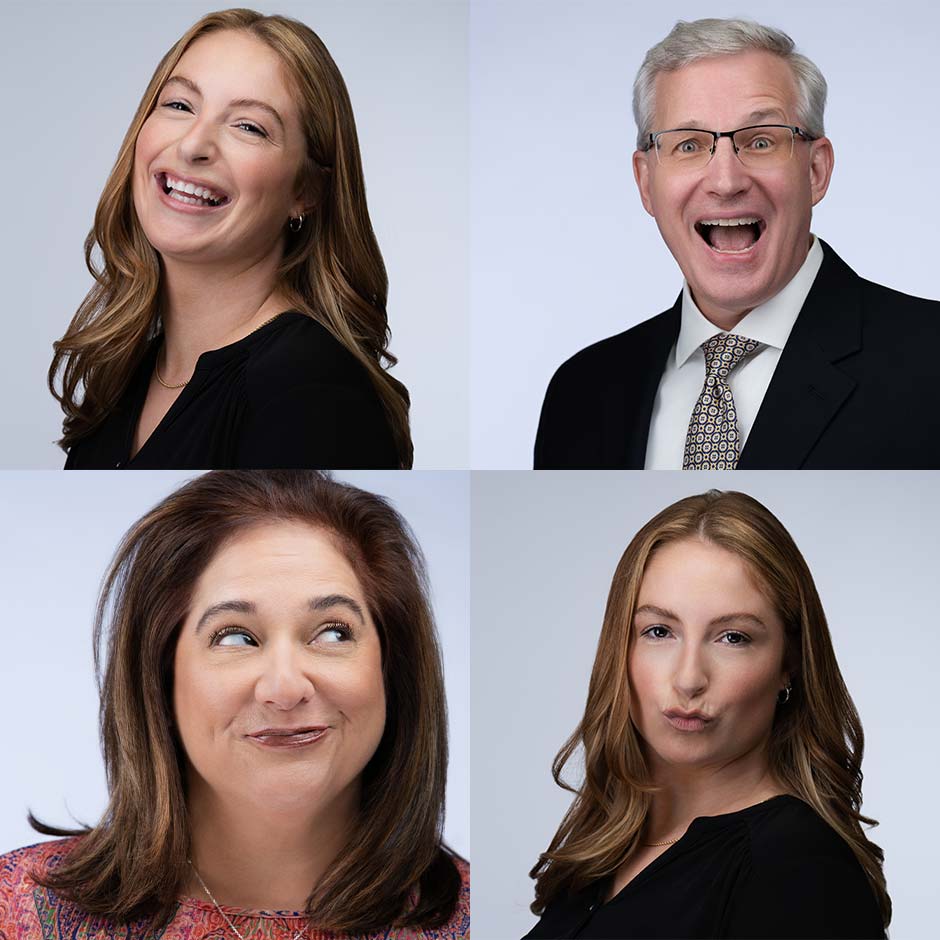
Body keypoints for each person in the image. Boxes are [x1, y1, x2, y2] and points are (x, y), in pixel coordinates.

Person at [0, 471, 469, 938]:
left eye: (332, 632)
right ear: (161, 675)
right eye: (236, 637)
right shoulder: (19, 913)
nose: (285, 688)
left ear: (392, 666)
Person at [534, 17, 940, 470]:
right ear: (646, 182)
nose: (726, 181)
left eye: (761, 141)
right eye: (688, 146)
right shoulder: (580, 394)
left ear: (816, 171)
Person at [51, 9, 413, 469]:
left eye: (249, 126)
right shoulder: (129, 377)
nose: (192, 145)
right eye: (179, 105)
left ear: (306, 191)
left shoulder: (309, 387)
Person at [523, 489, 887, 939]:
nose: (689, 678)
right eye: (659, 631)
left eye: (732, 637)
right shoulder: (606, 849)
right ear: (621, 645)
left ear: (788, 663)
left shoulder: (797, 865)